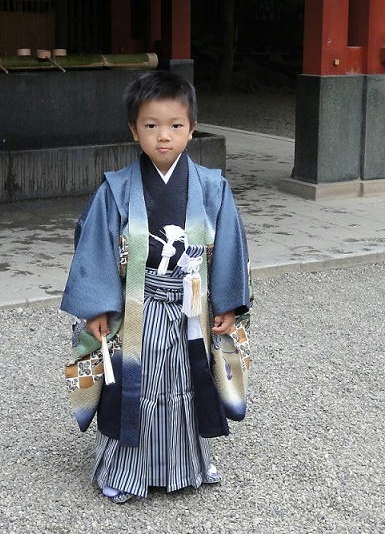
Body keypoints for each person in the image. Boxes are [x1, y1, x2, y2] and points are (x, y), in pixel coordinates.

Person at [61, 70, 251, 503]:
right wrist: (98, 306)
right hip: (135, 306)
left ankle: (189, 464)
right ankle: (125, 472)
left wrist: (227, 301)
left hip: (191, 305)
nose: (163, 136)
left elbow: (231, 247)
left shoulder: (212, 187)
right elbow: (95, 247)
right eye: (151, 125)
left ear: (192, 128)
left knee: (189, 381)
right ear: (134, 130)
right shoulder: (115, 189)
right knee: (133, 386)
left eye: (175, 126)